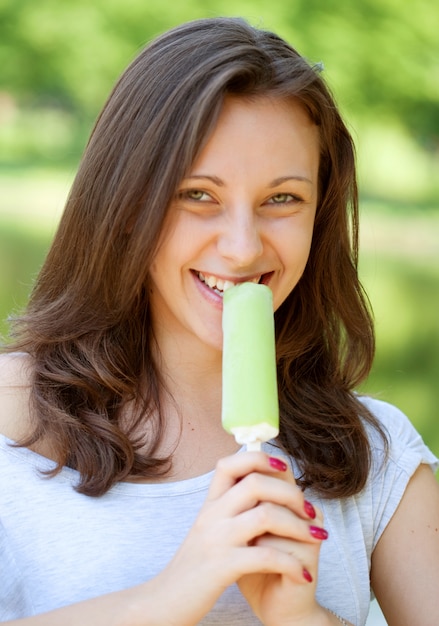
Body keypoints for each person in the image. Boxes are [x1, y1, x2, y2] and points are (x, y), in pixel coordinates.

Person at [0, 16, 438, 626]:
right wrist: (173, 594)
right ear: (128, 206)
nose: (241, 247)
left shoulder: (375, 457)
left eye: (282, 199)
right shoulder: (8, 420)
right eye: (197, 195)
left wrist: (302, 618)